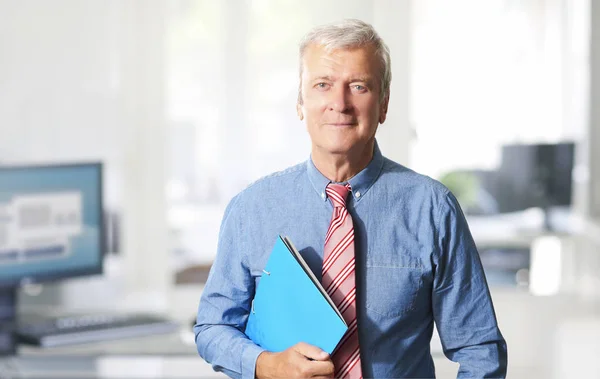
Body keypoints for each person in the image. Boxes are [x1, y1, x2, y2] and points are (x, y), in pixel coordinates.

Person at [194, 19, 508, 379]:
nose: (339, 104)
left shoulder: (433, 209)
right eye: (322, 85)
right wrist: (265, 364)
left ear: (384, 104)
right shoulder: (251, 209)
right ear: (301, 103)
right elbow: (212, 329)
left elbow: (480, 349)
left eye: (358, 86)